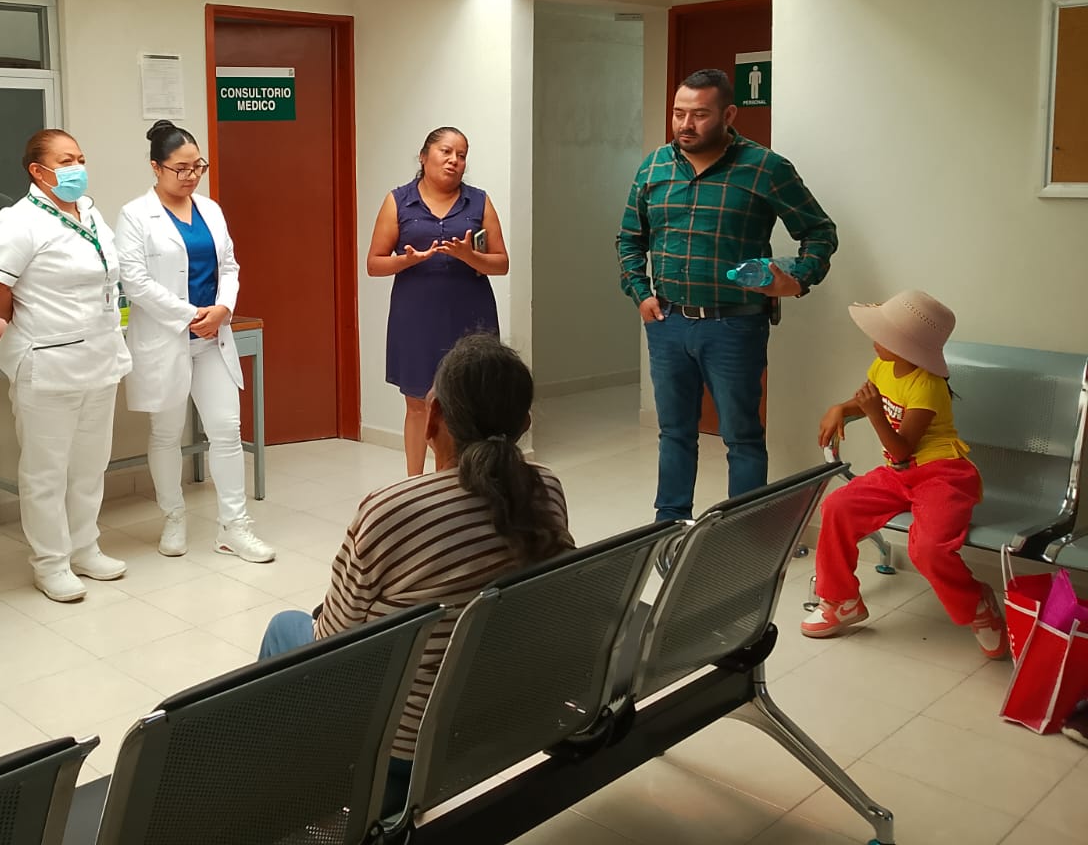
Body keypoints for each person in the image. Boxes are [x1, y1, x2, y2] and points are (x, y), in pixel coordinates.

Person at [257, 334, 573, 816]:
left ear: (435, 417)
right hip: (500, 714)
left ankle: (278, 787)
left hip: (405, 747)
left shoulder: (391, 510)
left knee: (286, 627)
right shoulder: (546, 487)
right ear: (524, 423)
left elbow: (330, 644)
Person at [616, 67, 838, 527]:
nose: (685, 124)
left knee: (742, 436)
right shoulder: (654, 166)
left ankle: (742, 534)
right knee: (674, 432)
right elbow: (629, 238)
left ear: (729, 115)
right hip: (667, 321)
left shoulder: (765, 168)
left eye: (700, 114)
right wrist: (640, 293)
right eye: (678, 113)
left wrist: (795, 279)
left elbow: (819, 232)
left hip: (735, 325)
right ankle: (669, 527)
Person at [0, 129, 132, 602]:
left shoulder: (90, 213)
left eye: (80, 158)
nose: (77, 168)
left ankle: (85, 547)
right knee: (46, 472)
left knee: (90, 464)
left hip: (99, 357)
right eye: (65, 161)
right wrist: (31, 320)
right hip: (48, 362)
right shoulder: (18, 221)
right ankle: (51, 562)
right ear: (38, 171)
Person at [802, 290, 1006, 658]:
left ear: (906, 345)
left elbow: (900, 447)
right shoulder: (883, 366)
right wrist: (841, 408)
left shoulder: (928, 386)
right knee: (837, 507)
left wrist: (874, 414)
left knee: (927, 549)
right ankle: (841, 601)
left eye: (882, 335)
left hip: (943, 474)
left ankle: (978, 604)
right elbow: (868, 402)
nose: (874, 340)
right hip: (899, 474)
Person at [115, 120, 275, 563]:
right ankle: (174, 517)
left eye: (198, 167)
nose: (191, 176)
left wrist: (222, 309)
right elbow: (135, 281)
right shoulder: (135, 215)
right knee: (166, 433)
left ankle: (234, 528)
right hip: (166, 338)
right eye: (181, 168)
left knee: (227, 429)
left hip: (212, 338)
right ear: (156, 167)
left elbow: (230, 266)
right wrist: (190, 315)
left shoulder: (210, 210)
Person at [367, 127, 507, 476]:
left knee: (472, 401)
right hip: (416, 316)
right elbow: (374, 264)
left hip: (471, 315)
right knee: (418, 403)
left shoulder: (479, 201)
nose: (454, 160)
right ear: (423, 155)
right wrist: (407, 260)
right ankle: (414, 484)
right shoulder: (398, 201)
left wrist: (470, 257)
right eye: (446, 151)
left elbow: (501, 263)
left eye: (462, 155)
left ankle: (471, 480)